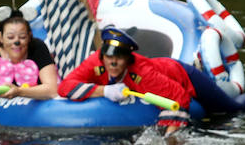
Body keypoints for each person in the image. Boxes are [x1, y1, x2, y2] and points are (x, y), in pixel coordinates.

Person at [57, 26, 197, 131]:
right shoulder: (94, 62)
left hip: (184, 74)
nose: (113, 63)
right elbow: (65, 87)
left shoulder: (141, 73)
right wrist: (104, 91)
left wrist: (168, 139)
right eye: (109, 57)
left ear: (128, 60)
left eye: (119, 58)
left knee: (218, 108)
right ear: (102, 56)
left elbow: (178, 98)